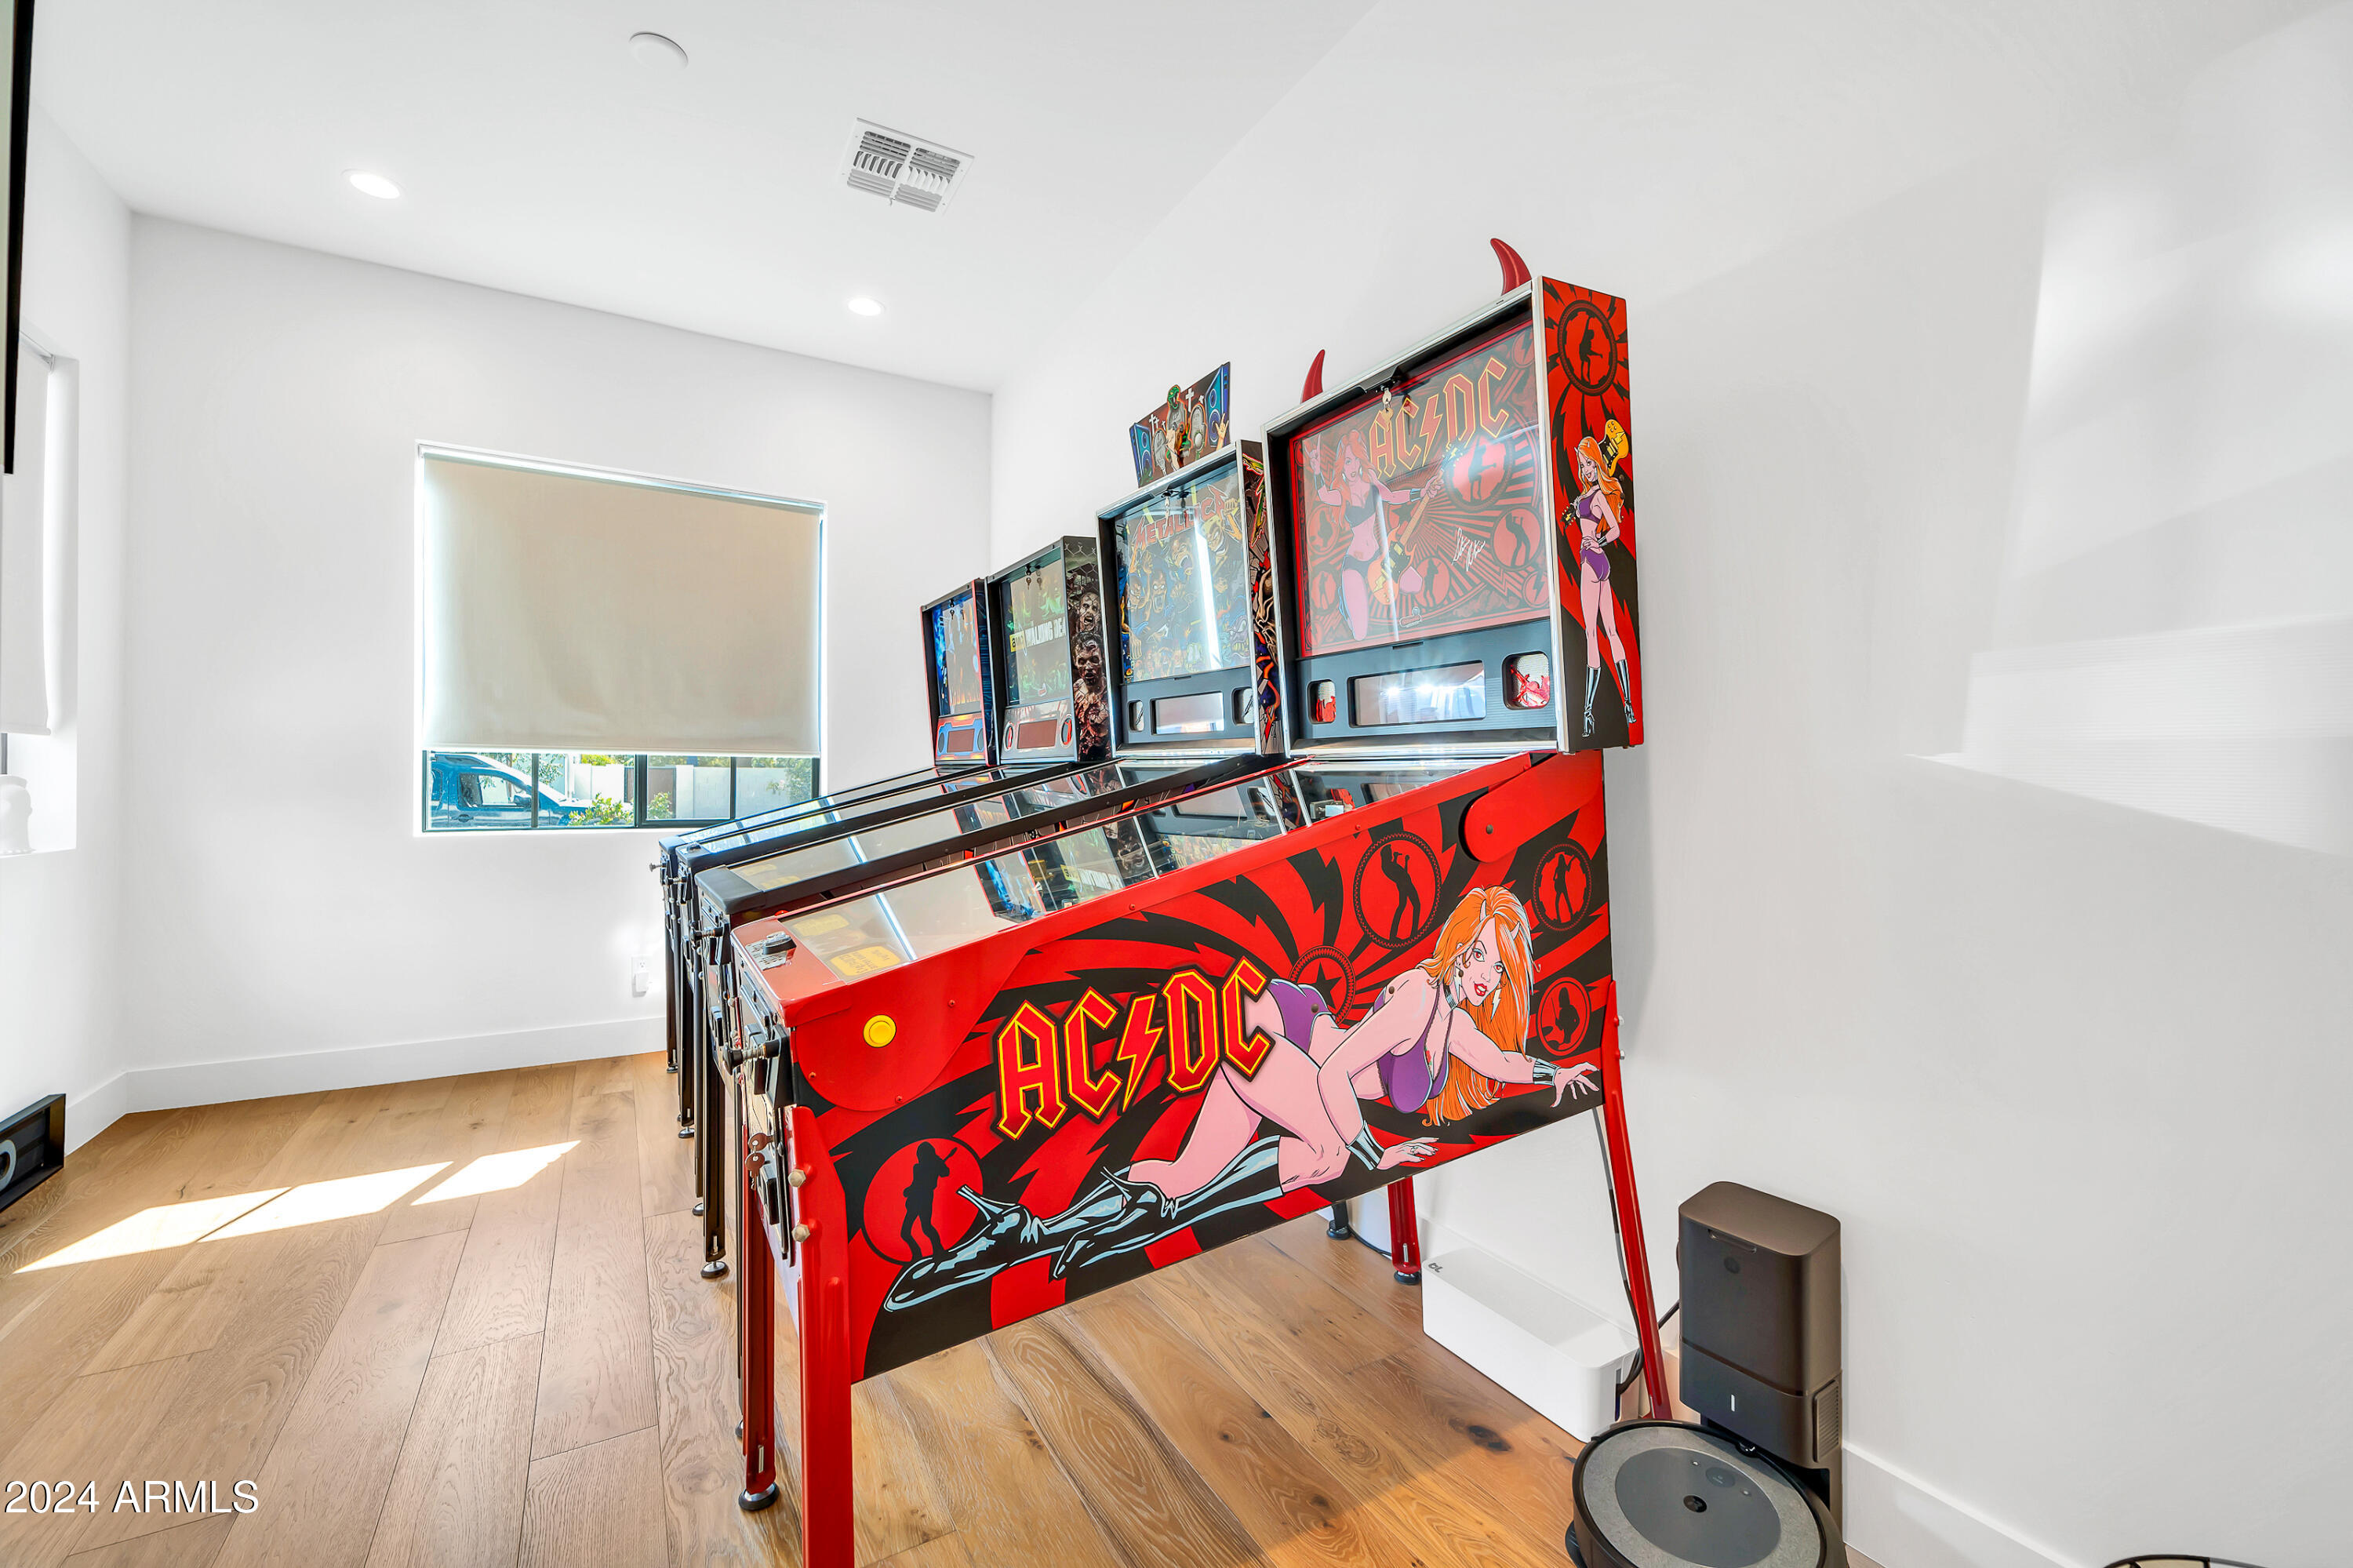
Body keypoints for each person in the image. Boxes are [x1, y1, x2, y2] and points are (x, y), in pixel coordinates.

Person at [881, 888, 1593, 1310]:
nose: (1486, 973)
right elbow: (1333, 1073)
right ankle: (1123, 1222)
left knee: (1186, 1176)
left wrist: (1556, 1072)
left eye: (1500, 968)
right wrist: (1374, 1152)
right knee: (1325, 1151)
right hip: (1280, 1032)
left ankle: (1028, 1232)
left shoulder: (1457, 1023)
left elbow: (1501, 1059)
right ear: (1459, 944)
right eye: (1480, 953)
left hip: (1281, 1045)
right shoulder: (1417, 995)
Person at [1566, 424, 1635, 737]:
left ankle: (1587, 714)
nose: (1587, 470)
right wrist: (1600, 543)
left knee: (1592, 634)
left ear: (1598, 463)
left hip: (1590, 562)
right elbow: (1616, 527)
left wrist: (1595, 542)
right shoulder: (1591, 495)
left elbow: (1616, 530)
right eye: (1583, 465)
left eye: (1590, 464)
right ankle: (1629, 705)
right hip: (1601, 563)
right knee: (1612, 631)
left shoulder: (1592, 496)